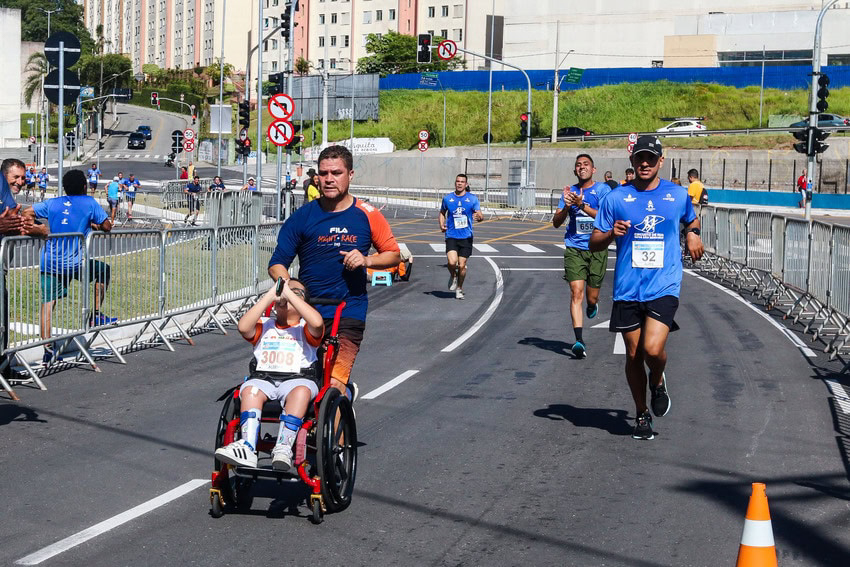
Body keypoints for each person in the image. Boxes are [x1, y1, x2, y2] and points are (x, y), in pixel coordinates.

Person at [590, 136, 703, 440]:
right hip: (628, 286)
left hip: (664, 283)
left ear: (660, 162)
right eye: (639, 158)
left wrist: (692, 235)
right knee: (632, 355)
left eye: (650, 159)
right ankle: (641, 414)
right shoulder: (616, 198)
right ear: (632, 161)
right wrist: (611, 233)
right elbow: (595, 242)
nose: (644, 163)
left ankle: (658, 380)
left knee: (652, 348)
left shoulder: (677, 195)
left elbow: (691, 221)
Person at [268, 145, 401, 398]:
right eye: (324, 173)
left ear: (350, 175)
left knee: (334, 384)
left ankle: (333, 431)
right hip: (307, 312)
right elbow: (277, 264)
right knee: (304, 382)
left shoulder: (368, 215)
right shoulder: (302, 217)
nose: (329, 179)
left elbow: (393, 254)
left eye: (336, 173)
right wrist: (287, 288)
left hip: (348, 309)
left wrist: (366, 260)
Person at [214, 278, 324, 471]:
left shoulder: (305, 328)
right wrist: (270, 296)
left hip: (299, 379)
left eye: (296, 292)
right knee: (249, 390)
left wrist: (289, 293)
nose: (287, 293)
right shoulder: (265, 325)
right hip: (264, 379)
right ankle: (247, 446)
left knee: (300, 392)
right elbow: (243, 327)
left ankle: (283, 447)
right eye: (285, 290)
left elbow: (317, 322)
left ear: (303, 302)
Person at [24, 169, 117, 365]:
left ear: (65, 188)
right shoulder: (89, 202)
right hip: (75, 263)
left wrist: (37, 228)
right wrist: (95, 226)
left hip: (50, 262)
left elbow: (27, 212)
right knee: (103, 270)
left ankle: (48, 350)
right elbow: (107, 225)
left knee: (48, 305)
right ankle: (96, 315)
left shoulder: (52, 203)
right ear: (85, 186)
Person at [552, 154, 611, 358]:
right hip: (574, 247)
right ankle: (578, 340)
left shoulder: (603, 190)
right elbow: (556, 222)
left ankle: (593, 304)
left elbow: (605, 216)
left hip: (597, 247)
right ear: (574, 170)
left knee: (590, 296)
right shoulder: (570, 192)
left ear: (593, 170)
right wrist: (568, 205)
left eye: (586, 165)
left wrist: (581, 205)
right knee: (576, 292)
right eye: (578, 165)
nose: (582, 167)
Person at [439, 173, 483, 300]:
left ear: (466, 184)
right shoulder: (447, 198)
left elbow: (480, 215)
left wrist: (479, 217)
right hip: (451, 235)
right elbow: (442, 213)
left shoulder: (472, 199)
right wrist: (441, 225)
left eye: (462, 182)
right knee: (452, 262)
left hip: (466, 236)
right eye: (457, 181)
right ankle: (453, 276)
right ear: (455, 183)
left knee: (462, 265)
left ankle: (459, 289)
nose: (459, 183)